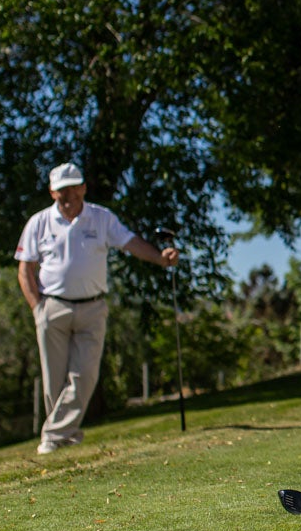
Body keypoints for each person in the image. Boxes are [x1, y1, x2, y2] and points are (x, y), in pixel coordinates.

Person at [16, 162, 179, 455]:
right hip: (52, 306)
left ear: (83, 188)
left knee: (85, 375)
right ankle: (64, 437)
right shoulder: (38, 222)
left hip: (92, 307)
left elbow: (130, 243)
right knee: (53, 381)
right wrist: (37, 308)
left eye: (74, 188)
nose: (69, 195)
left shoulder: (101, 218)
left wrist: (160, 258)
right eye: (62, 190)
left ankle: (52, 436)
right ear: (52, 192)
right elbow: (25, 269)